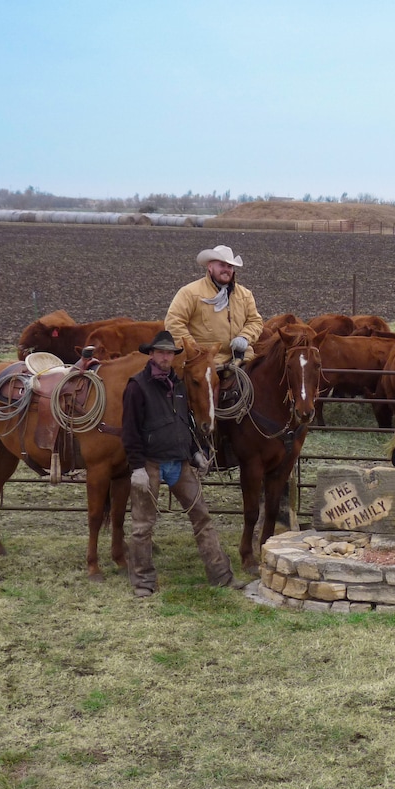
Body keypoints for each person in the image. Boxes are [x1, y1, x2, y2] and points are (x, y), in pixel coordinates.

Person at [122, 331, 238, 597]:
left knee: (202, 516)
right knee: (143, 525)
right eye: (161, 352)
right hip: (150, 463)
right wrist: (137, 467)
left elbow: (184, 421)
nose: (165, 357)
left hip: (179, 462)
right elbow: (130, 431)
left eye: (170, 353)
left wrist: (195, 451)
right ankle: (142, 582)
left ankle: (221, 575)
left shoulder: (179, 385)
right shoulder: (137, 387)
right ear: (151, 354)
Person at [165, 244, 265, 367]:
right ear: (210, 267)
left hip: (242, 357)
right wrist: (194, 351)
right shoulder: (191, 293)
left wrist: (244, 338)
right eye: (221, 265)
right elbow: (174, 322)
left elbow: (255, 321)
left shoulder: (245, 295)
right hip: (204, 362)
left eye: (229, 266)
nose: (226, 269)